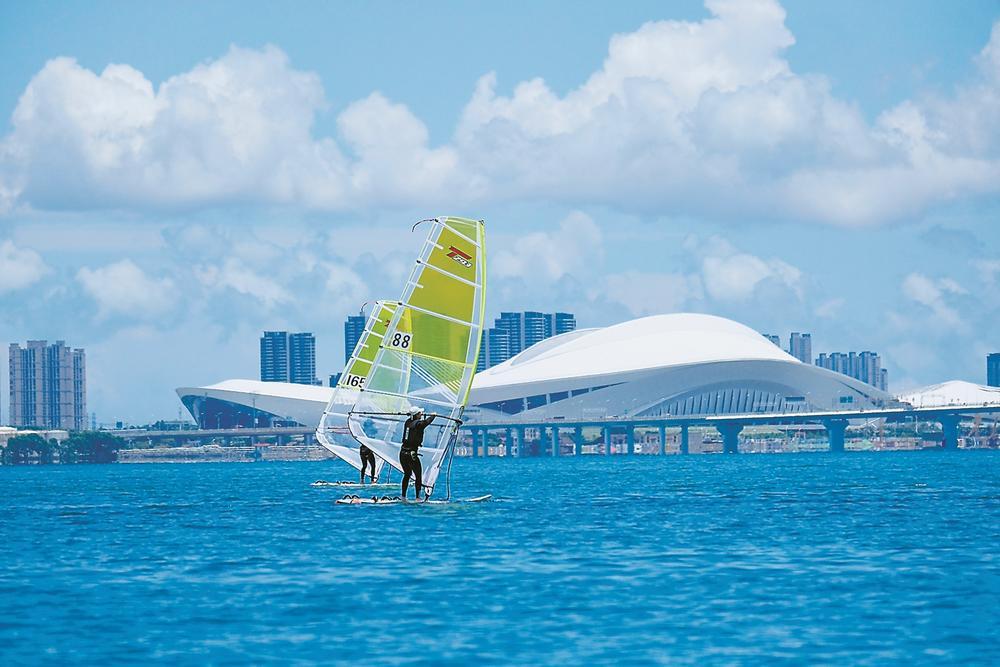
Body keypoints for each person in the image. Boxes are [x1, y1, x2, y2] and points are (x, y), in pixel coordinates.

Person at [400, 406, 436, 500]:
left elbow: (419, 423)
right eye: (420, 413)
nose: (421, 414)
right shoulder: (418, 424)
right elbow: (425, 423)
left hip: (402, 453)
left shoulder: (407, 422)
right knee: (418, 476)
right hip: (411, 454)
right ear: (416, 415)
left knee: (407, 474)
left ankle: (403, 496)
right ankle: (417, 498)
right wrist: (433, 416)